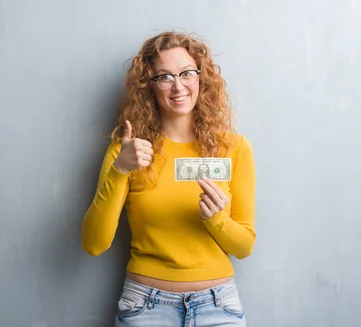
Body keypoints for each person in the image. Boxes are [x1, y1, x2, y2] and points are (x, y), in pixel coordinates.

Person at [81, 31, 256, 326]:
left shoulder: (234, 148)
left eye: (187, 73)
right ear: (148, 85)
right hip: (145, 306)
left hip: (218, 307)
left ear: (201, 77)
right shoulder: (127, 151)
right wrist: (119, 170)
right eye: (165, 77)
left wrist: (216, 220)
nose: (178, 86)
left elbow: (244, 247)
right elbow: (94, 243)